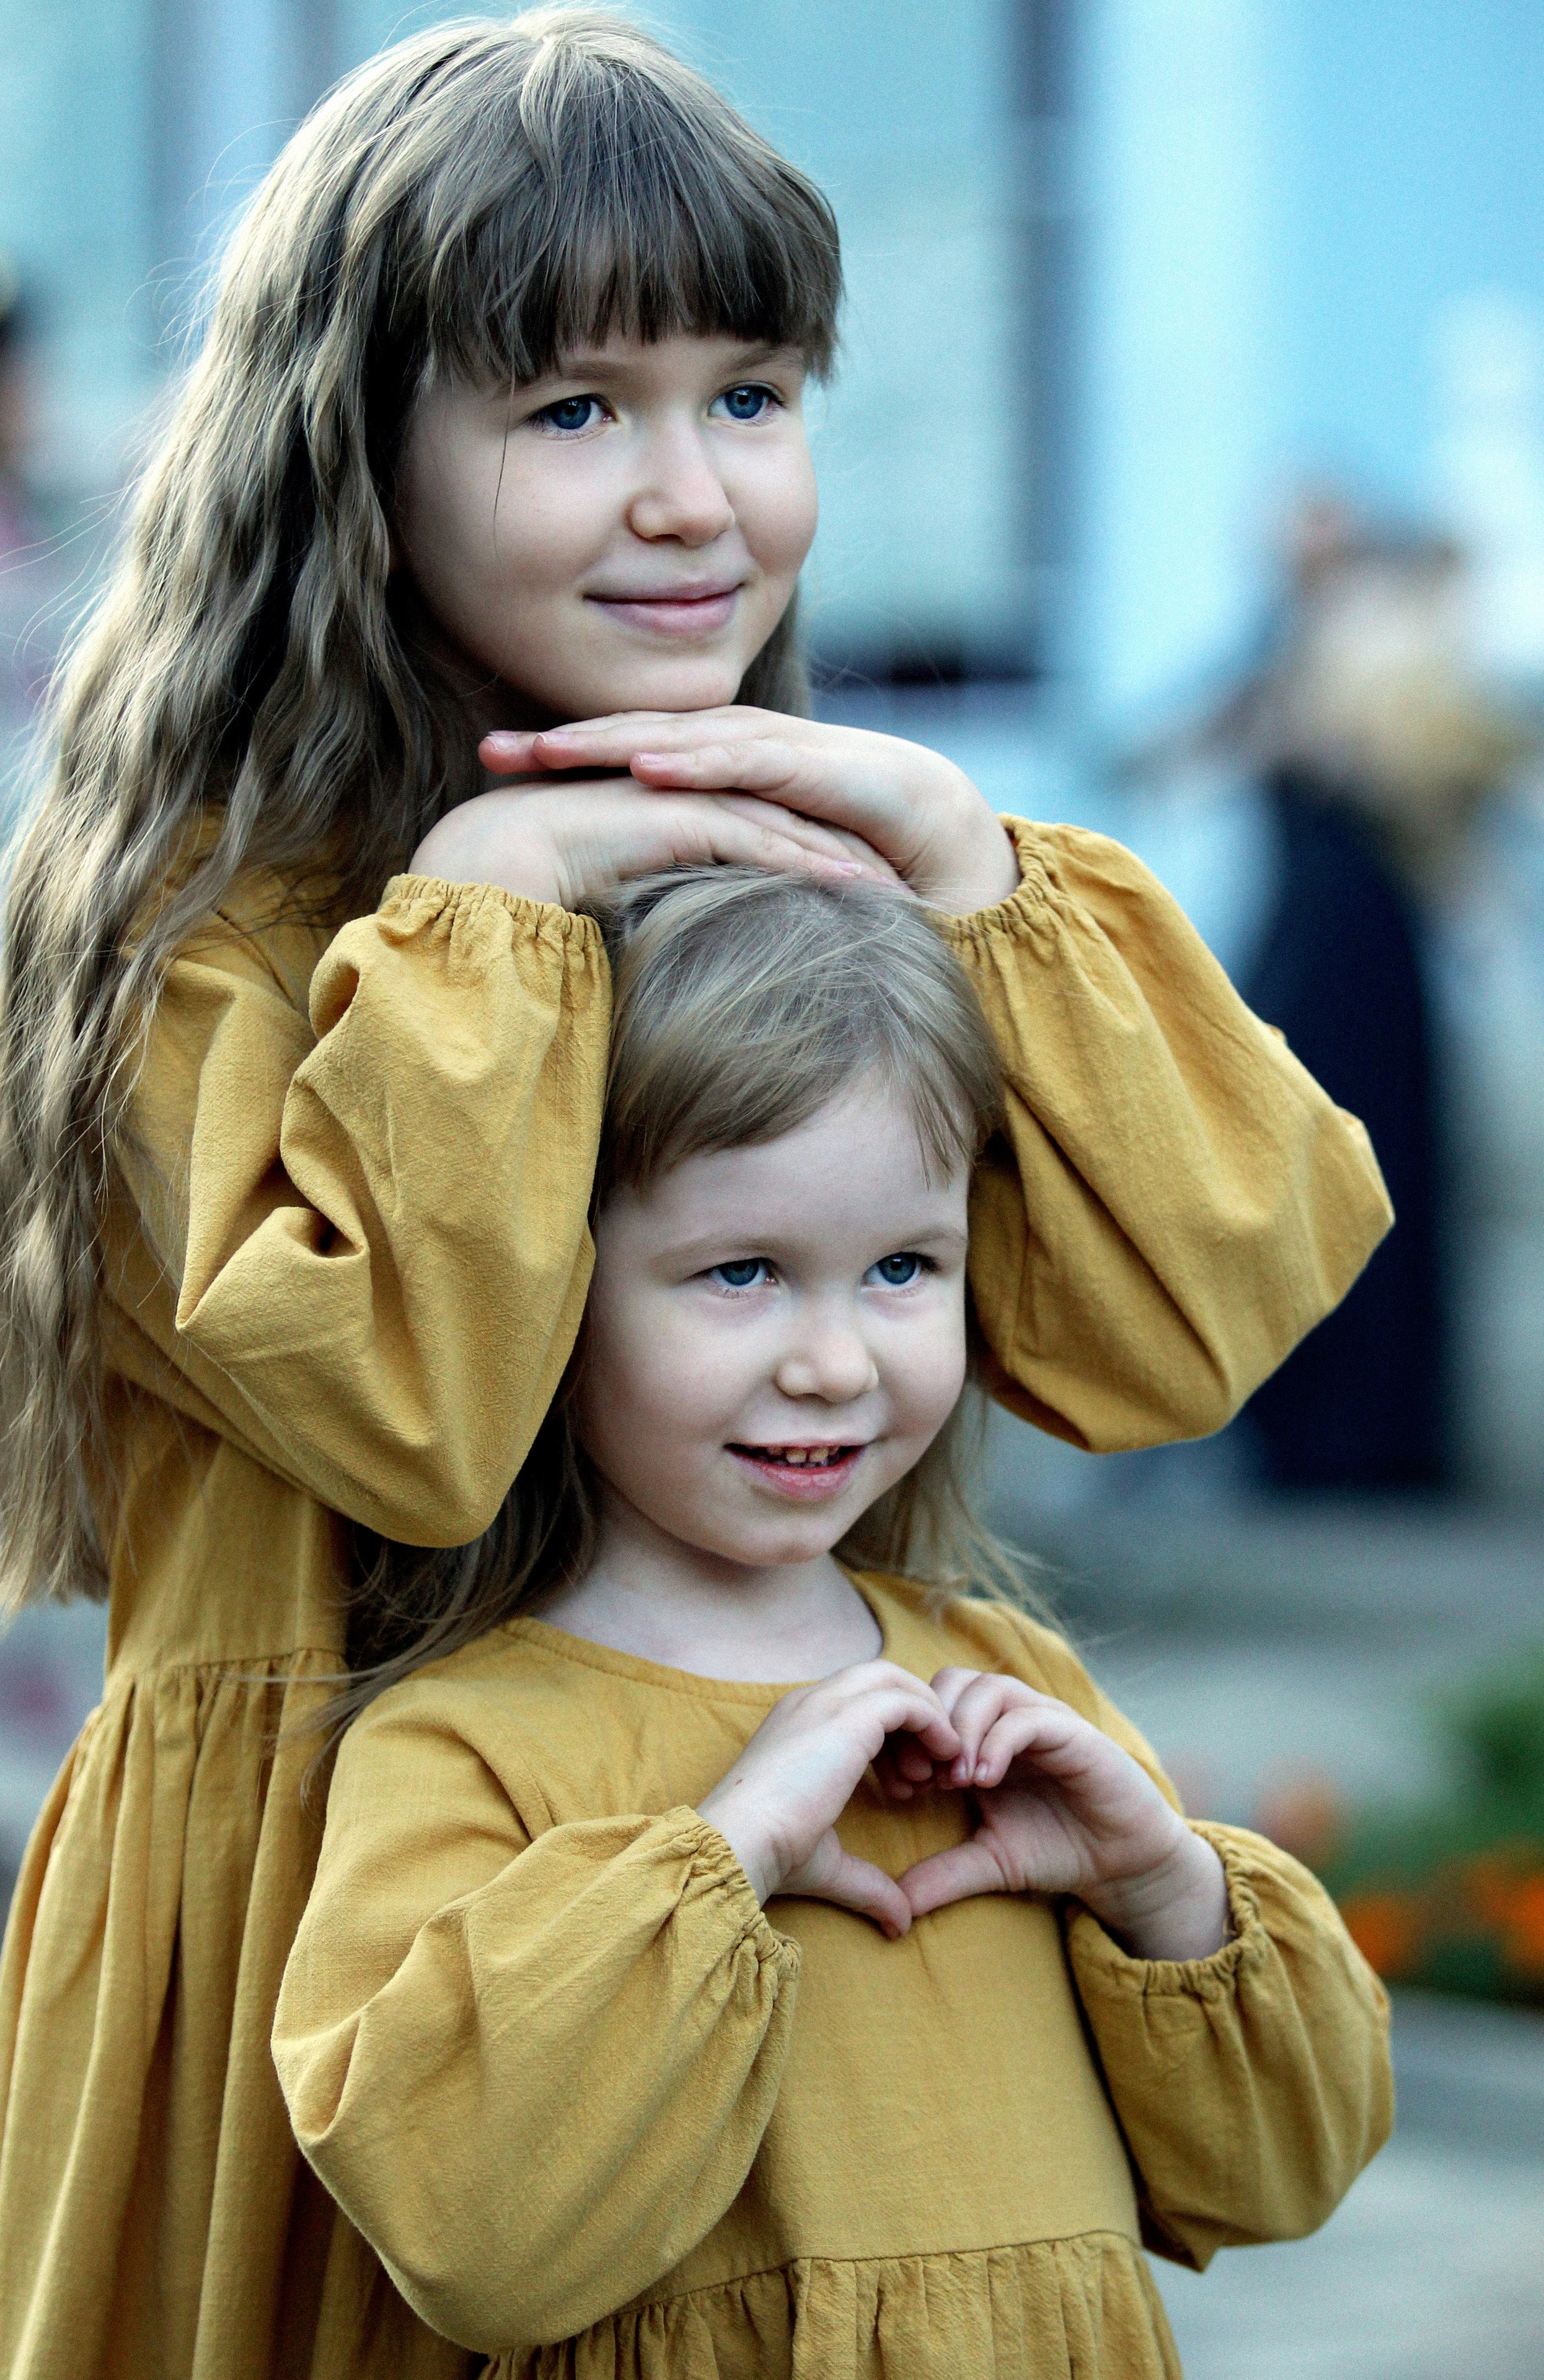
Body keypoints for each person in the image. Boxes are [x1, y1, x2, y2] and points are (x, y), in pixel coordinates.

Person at [0, 14, 1390, 2378]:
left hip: (811, 1860)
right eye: (571, 410)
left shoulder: (825, 882)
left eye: (751, 393)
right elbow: (405, 1414)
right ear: (357, 458)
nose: (691, 495)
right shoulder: (203, 943)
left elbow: (1190, 1326)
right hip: (368, 1957)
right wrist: (493, 903)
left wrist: (971, 867)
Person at [274, 866, 1393, 2378]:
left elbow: (1279, 2177)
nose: (833, 1362)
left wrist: (1163, 1889)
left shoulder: (1005, 1685)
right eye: (740, 1272)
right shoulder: (462, 1743)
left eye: (899, 1269)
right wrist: (725, 1849)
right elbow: (468, 2230)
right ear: (555, 1287)